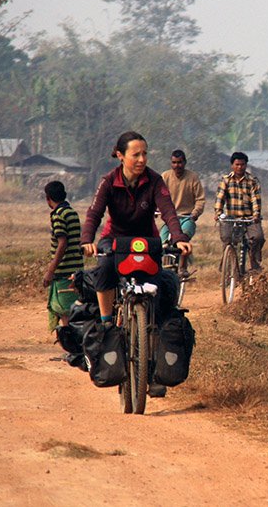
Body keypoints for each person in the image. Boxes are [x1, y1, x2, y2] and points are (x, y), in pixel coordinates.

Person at [80, 132, 192, 398]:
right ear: (120, 155)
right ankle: (108, 322)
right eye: (136, 154)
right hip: (114, 240)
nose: (142, 159)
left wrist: (178, 238)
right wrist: (87, 240)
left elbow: (168, 211)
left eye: (145, 154)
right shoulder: (108, 182)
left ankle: (154, 364)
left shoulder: (155, 180)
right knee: (104, 269)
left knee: (163, 285)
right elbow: (94, 214)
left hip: (148, 242)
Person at [43, 180, 83, 333]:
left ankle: (70, 345)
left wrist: (50, 271)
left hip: (64, 272)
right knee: (72, 308)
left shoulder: (58, 215)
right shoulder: (71, 212)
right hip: (76, 268)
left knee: (65, 311)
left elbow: (62, 243)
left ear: (48, 198)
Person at [214, 151, 264, 272]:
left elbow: (256, 201)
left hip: (249, 218)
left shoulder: (252, 181)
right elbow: (220, 198)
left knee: (257, 237)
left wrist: (256, 215)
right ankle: (228, 268)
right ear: (232, 165)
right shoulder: (226, 180)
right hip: (230, 218)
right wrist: (218, 213)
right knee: (227, 239)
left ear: (246, 165)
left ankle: (254, 262)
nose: (239, 167)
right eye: (237, 164)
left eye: (242, 164)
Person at [159, 149, 205, 277]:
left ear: (184, 163)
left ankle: (182, 267)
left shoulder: (193, 177)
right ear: (171, 163)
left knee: (183, 238)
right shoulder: (165, 176)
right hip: (169, 218)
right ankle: (158, 270)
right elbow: (157, 196)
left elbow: (200, 199)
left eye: (179, 162)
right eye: (174, 162)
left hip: (187, 218)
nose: (176, 165)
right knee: (160, 244)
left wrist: (195, 214)